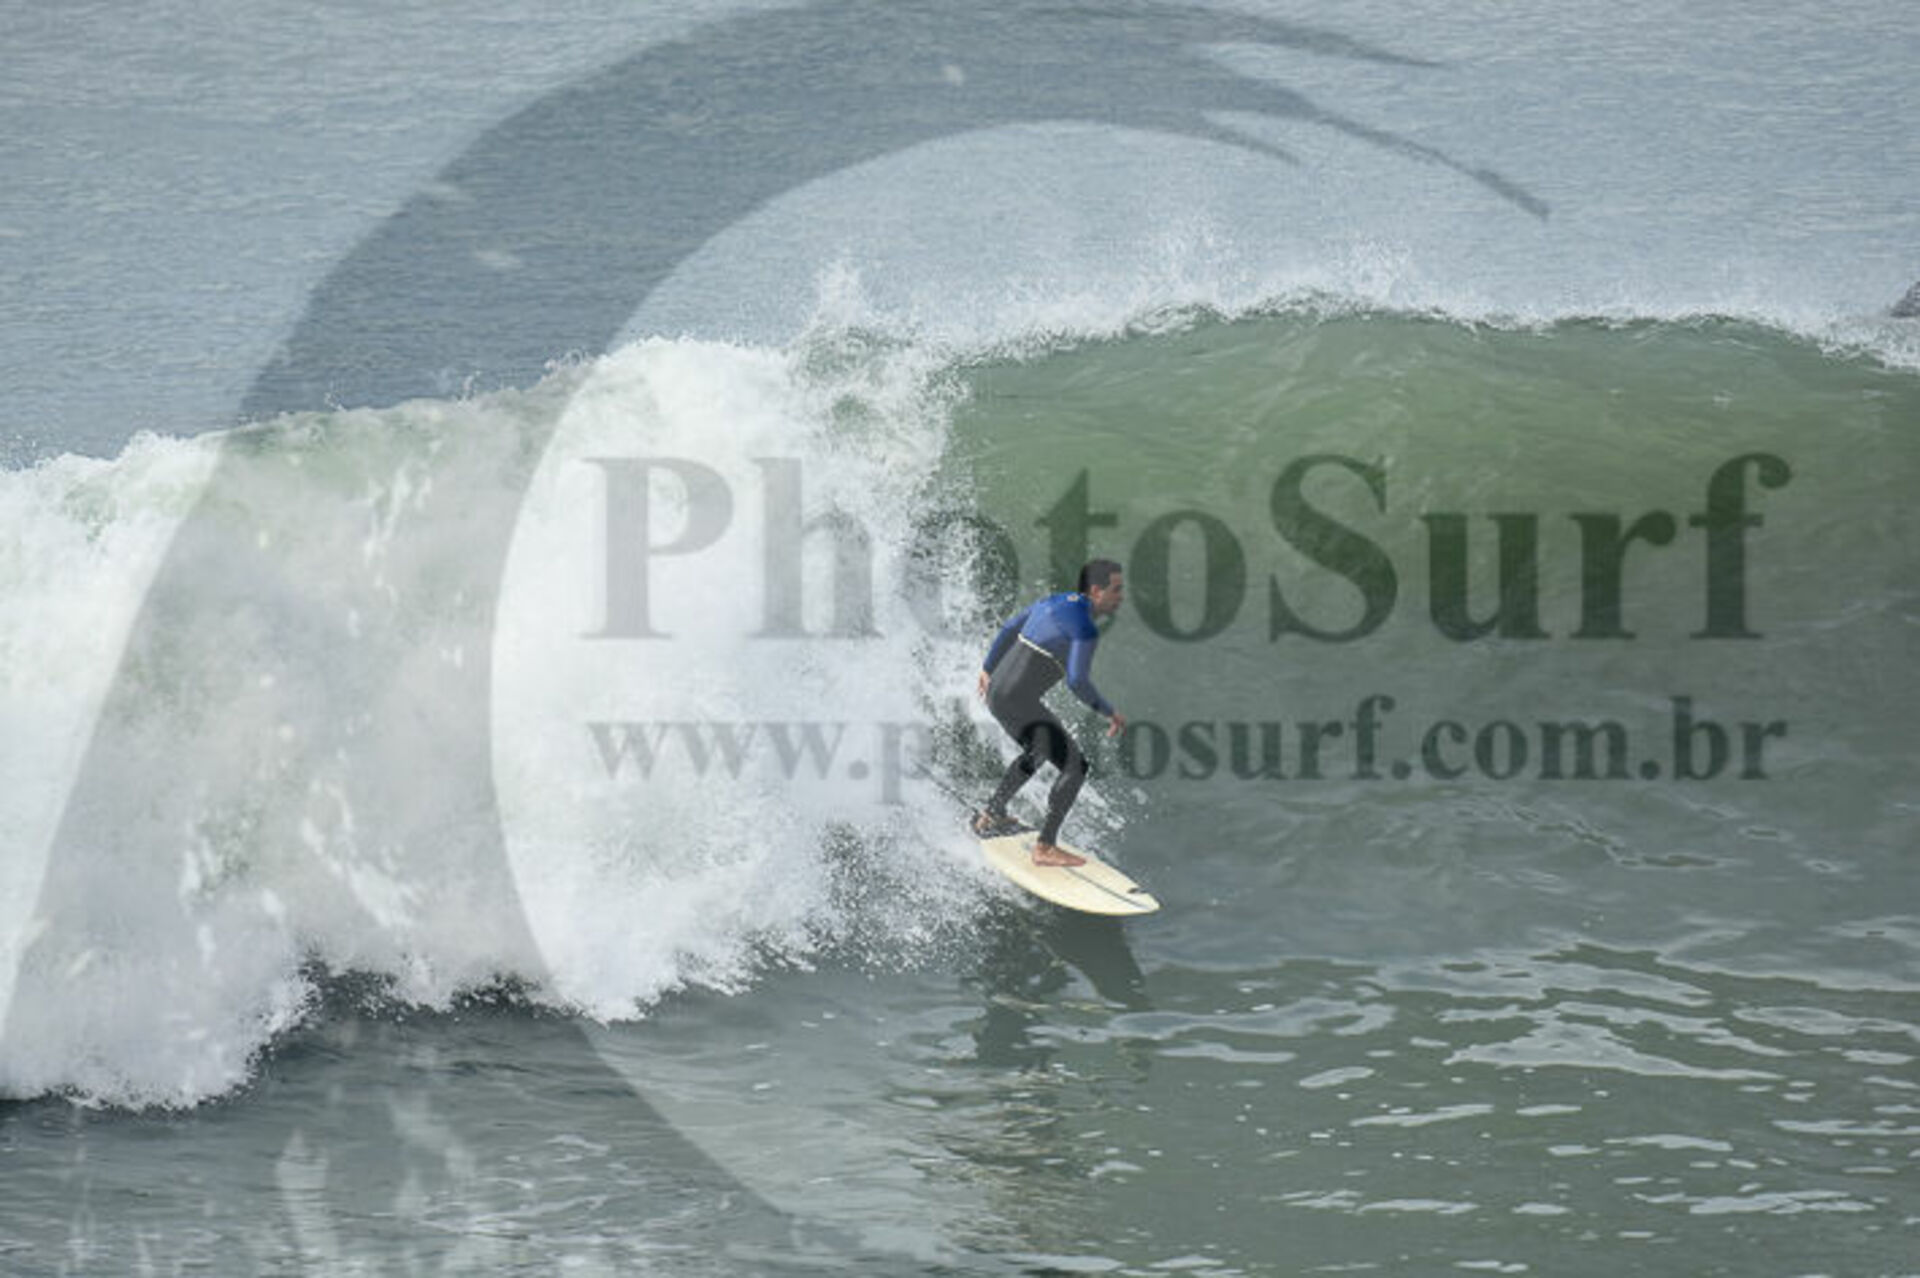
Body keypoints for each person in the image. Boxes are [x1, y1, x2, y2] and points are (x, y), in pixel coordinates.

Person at [972, 559, 1127, 867]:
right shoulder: (1085, 628)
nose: (1121, 597)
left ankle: (993, 813)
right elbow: (1077, 680)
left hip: (998, 693)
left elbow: (1010, 627)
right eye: (1116, 590)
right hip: (1018, 700)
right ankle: (1045, 847)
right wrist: (1108, 712)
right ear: (1096, 591)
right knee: (1076, 766)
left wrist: (987, 668)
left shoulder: (1055, 601)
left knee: (1039, 749)